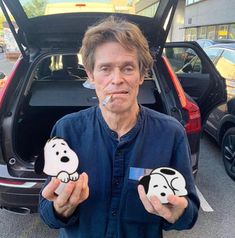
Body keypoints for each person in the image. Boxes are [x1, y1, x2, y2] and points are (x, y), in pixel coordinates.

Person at [38, 16, 200, 238]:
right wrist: (58, 210)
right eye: (105, 68)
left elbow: (189, 213)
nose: (117, 79)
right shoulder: (67, 130)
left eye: (128, 68)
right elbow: (47, 213)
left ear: (142, 74)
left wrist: (178, 213)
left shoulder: (170, 134)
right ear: (91, 75)